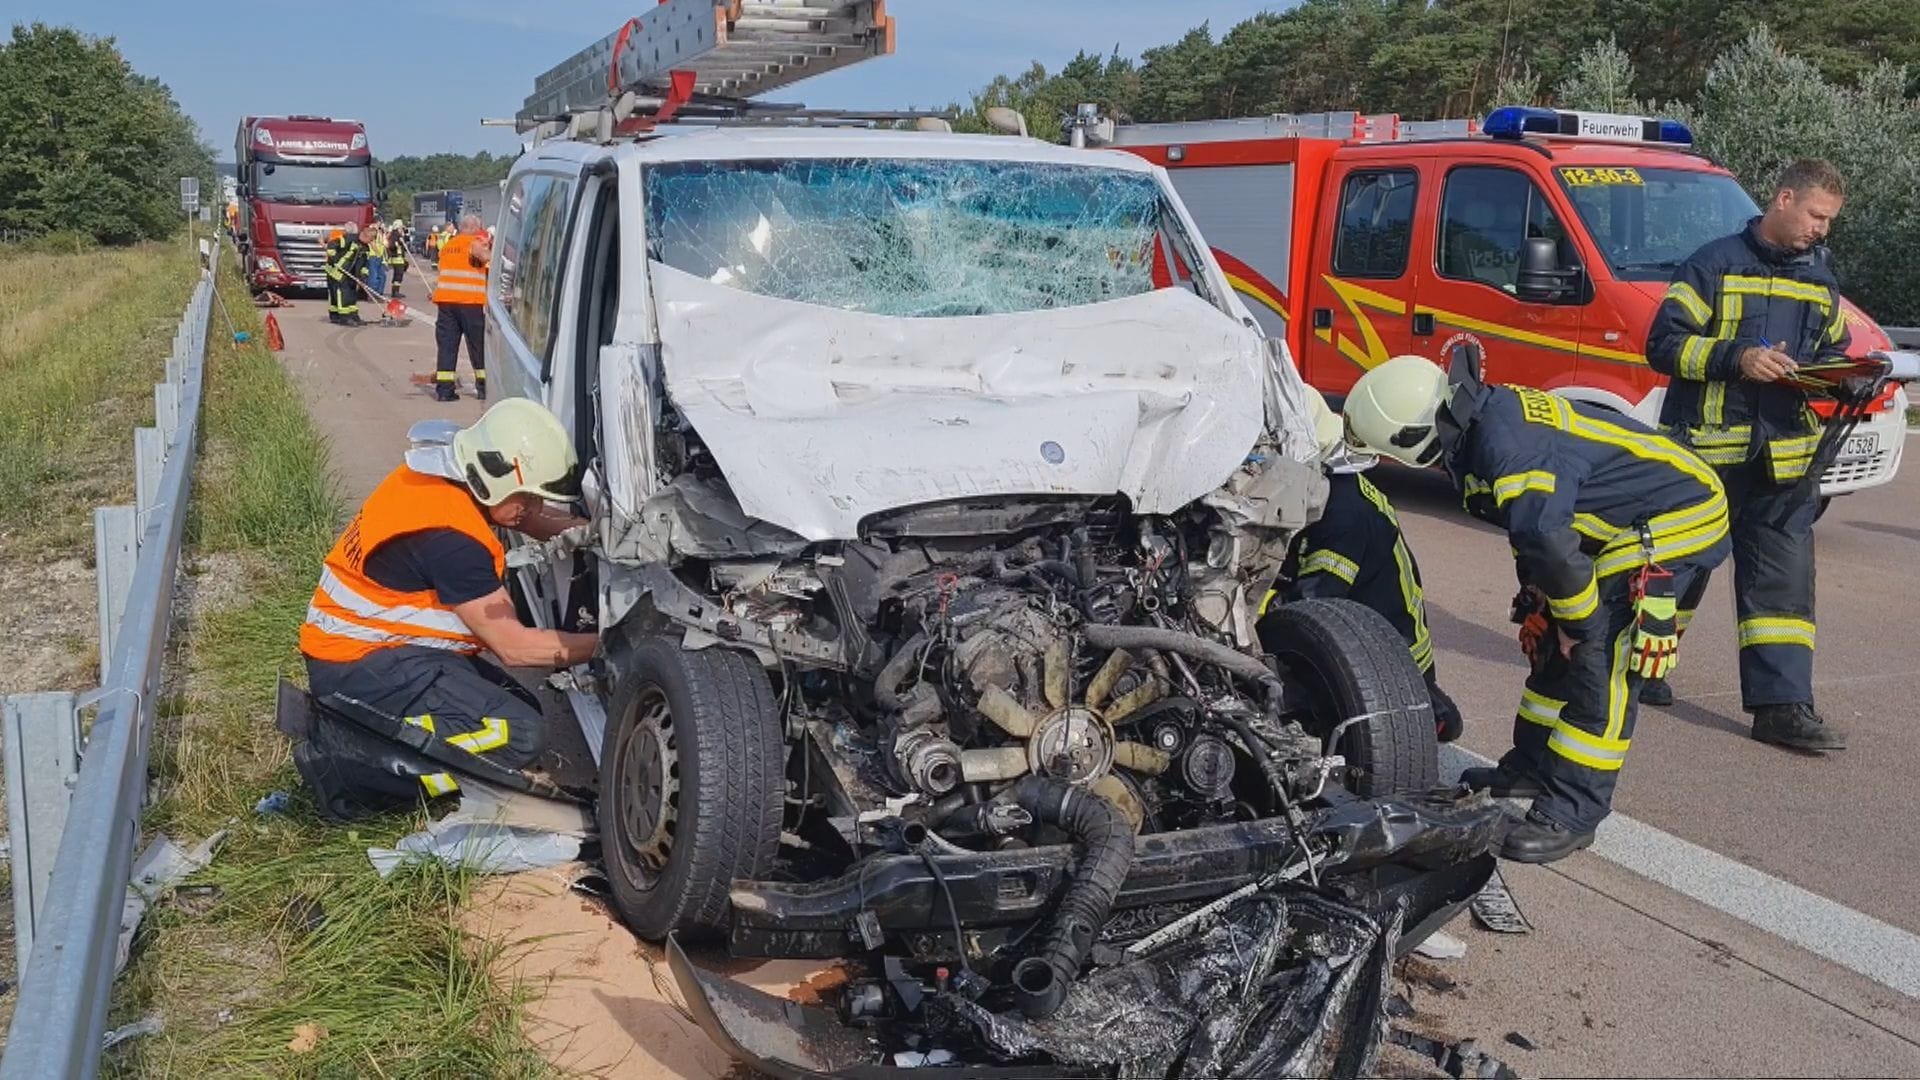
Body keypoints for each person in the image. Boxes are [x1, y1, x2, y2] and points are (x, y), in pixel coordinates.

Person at [1343, 351, 1730, 862]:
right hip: (1618, 520)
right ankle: (1530, 769)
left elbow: (1546, 537)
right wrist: (1545, 603)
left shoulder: (1505, 450)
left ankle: (1573, 811)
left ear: (1414, 440)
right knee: (1549, 646)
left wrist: (1579, 622)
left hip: (1677, 518)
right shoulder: (1482, 421)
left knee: (1599, 659)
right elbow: (1538, 536)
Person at [293, 399, 594, 820]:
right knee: (519, 733)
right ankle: (355, 770)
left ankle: (369, 738)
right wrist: (609, 643)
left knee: (517, 706)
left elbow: (522, 517)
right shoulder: (451, 539)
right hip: (358, 670)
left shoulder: (444, 475)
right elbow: (516, 648)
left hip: (373, 648)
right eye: (529, 496)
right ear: (494, 477)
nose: (535, 508)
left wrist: (589, 531)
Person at [1643, 159, 1852, 751]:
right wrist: (1737, 358)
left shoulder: (1820, 278)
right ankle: (1642, 671)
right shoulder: (1710, 264)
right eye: (1817, 216)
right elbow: (1662, 345)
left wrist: (1845, 379)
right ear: (1783, 199)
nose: (1822, 230)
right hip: (1702, 456)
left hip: (1783, 461)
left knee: (1782, 590)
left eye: (1829, 221)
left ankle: (1782, 708)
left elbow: (1831, 349)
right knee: (1678, 567)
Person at [1262, 386, 1463, 743]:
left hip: (1391, 661)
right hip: (1369, 632)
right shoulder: (1332, 488)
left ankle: (1425, 712)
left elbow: (1307, 608)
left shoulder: (1344, 515)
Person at [433, 213, 492, 401]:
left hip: (446, 303)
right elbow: (486, 258)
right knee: (478, 346)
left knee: (447, 346)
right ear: (475, 227)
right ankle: (484, 388)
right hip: (470, 303)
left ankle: (444, 390)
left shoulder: (449, 245)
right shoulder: (475, 242)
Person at [323, 226, 369, 325]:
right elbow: (331, 245)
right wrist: (335, 259)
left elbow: (364, 264)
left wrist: (362, 277)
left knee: (352, 294)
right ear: (365, 236)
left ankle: (352, 315)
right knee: (342, 294)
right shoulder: (349, 239)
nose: (371, 242)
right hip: (337, 271)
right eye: (370, 239)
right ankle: (344, 317)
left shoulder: (365, 248)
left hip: (350, 274)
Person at [385, 221, 410, 298]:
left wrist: (405, 234)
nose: (402, 229)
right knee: (398, 275)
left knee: (397, 275)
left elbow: (406, 240)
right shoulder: (395, 235)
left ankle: (395, 291)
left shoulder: (397, 234)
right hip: (397, 259)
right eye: (401, 227)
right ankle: (395, 292)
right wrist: (398, 243)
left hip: (398, 258)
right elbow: (392, 246)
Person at [366, 222, 390, 297]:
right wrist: (377, 252)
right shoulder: (372, 231)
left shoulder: (380, 233)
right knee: (374, 276)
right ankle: (373, 294)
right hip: (373, 256)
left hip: (379, 257)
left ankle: (379, 293)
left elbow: (386, 244)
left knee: (382, 276)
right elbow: (372, 243)